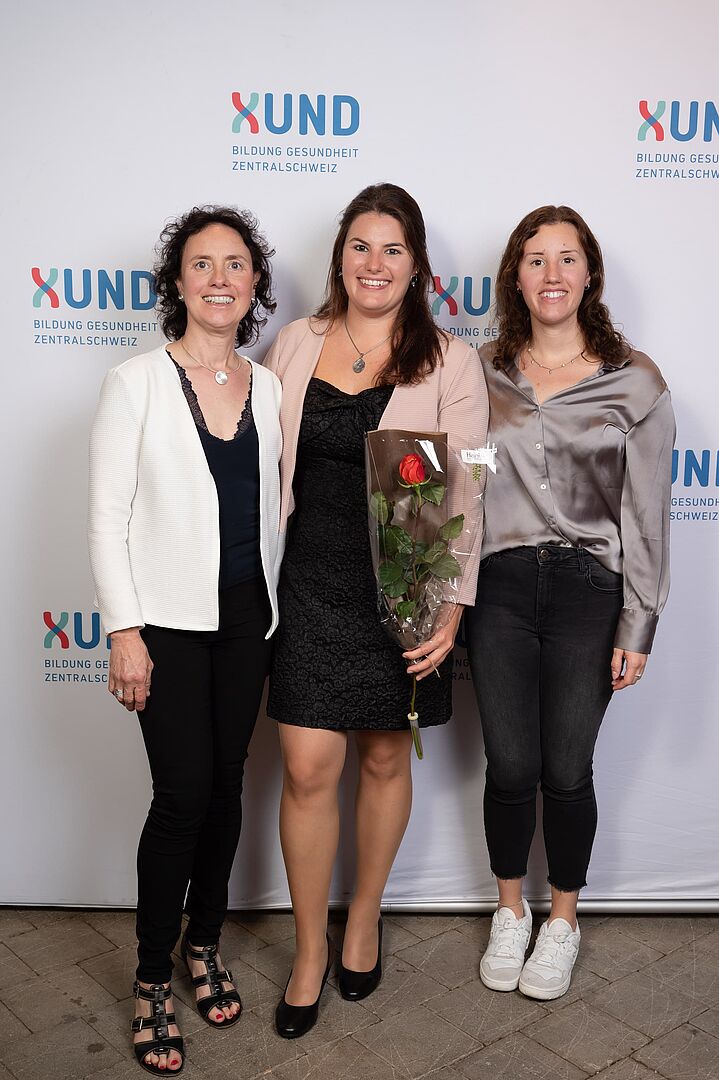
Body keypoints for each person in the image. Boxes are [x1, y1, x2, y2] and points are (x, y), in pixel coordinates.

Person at [264, 183, 488, 1038]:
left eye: (393, 248)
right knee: (306, 768)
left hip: (403, 593)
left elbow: (471, 488)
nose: (374, 263)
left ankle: (362, 920)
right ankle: (308, 951)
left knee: (387, 760)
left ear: (417, 264)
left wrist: (451, 607)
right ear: (340, 257)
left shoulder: (450, 360)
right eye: (360, 245)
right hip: (306, 585)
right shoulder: (296, 342)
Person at [88, 206, 282, 1074]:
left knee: (227, 786)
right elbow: (107, 518)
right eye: (201, 264)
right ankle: (150, 980)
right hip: (163, 625)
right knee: (182, 795)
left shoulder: (268, 387)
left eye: (234, 264)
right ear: (177, 282)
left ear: (253, 283)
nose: (218, 279)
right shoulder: (135, 382)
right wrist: (124, 631)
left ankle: (203, 945)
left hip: (246, 621)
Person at [466, 205, 675, 1001]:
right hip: (499, 586)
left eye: (566, 258)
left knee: (564, 767)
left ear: (589, 274)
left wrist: (638, 622)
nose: (550, 274)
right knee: (509, 764)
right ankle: (509, 910)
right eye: (535, 259)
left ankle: (561, 921)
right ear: (514, 277)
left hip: (590, 591)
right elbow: (457, 485)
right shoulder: (478, 371)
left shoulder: (636, 381)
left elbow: (646, 514)